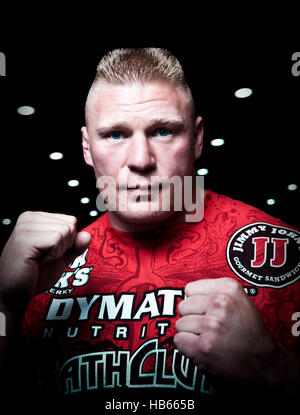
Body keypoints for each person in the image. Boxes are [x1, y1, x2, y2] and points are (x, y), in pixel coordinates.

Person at [0, 48, 299, 410]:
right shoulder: (44, 264)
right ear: (86, 147)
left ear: (198, 137)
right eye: (115, 135)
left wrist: (273, 370)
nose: (141, 160)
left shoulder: (283, 250)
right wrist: (6, 306)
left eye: (162, 131)